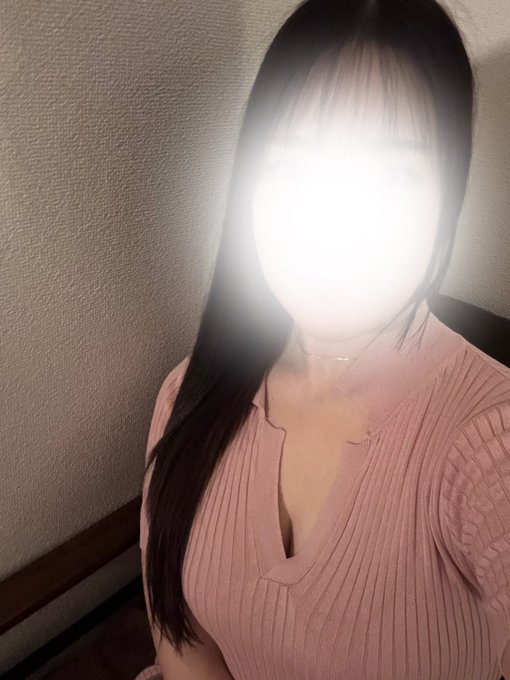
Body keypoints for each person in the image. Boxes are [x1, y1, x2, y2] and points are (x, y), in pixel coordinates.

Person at [137, 1, 510, 679]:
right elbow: (180, 634)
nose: (337, 219)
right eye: (291, 168)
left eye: (391, 177)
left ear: (449, 196)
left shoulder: (490, 440)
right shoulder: (187, 395)